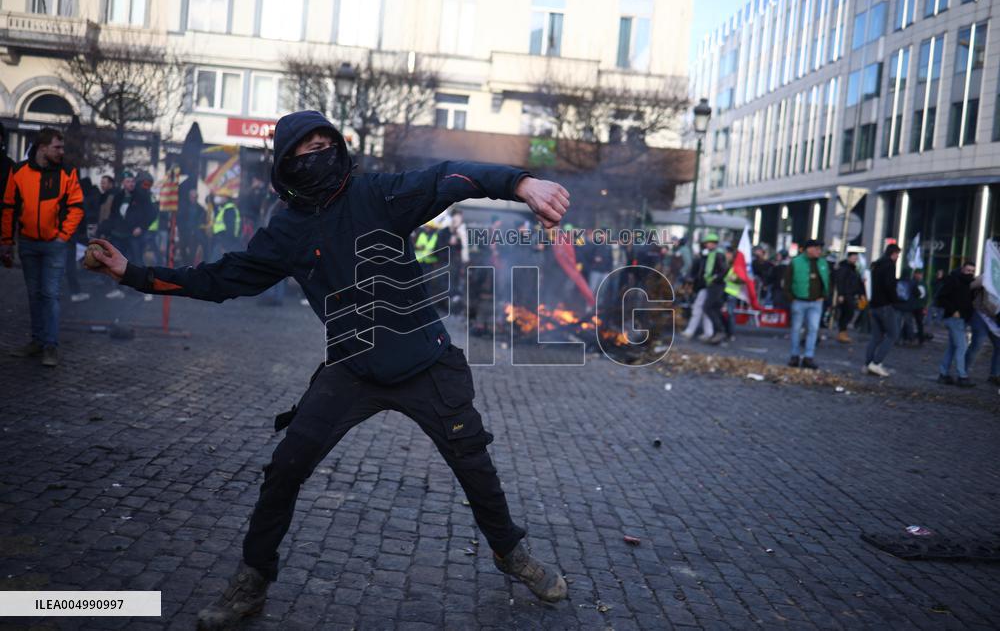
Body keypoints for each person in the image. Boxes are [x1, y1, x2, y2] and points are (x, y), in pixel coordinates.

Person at [86, 110, 571, 629]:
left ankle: (508, 551)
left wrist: (521, 182)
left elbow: (449, 177)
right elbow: (221, 278)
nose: (319, 152)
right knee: (285, 470)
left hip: (424, 360)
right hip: (351, 367)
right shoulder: (287, 231)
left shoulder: (378, 193)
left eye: (326, 142)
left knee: (474, 463)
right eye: (306, 146)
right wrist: (133, 273)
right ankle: (252, 580)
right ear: (287, 161)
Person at [1, 128, 84, 367]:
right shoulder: (18, 172)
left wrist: (62, 236)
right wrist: (7, 242)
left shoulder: (67, 173)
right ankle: (37, 341)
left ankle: (50, 346)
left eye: (62, 147)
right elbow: (8, 207)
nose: (62, 151)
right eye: (57, 147)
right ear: (42, 147)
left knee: (50, 295)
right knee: (34, 295)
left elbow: (77, 208)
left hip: (54, 245)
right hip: (28, 243)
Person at [783, 240, 829, 369]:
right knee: (796, 329)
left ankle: (809, 357)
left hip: (816, 302)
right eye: (817, 248)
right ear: (809, 249)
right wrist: (791, 298)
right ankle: (795, 355)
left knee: (813, 329)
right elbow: (787, 281)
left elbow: (827, 280)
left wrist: (824, 296)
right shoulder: (796, 262)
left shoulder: (822, 263)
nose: (819, 251)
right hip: (799, 300)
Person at [935, 262, 977, 387]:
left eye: (972, 271)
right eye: (968, 270)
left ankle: (943, 374)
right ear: (962, 269)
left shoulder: (970, 284)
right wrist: (953, 311)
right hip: (954, 319)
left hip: (962, 319)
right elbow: (941, 297)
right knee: (962, 347)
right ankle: (962, 376)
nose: (970, 273)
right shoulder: (954, 280)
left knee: (953, 347)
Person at [863, 244, 901, 377]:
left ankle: (868, 364)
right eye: (897, 255)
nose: (897, 258)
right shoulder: (889, 265)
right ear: (894, 253)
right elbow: (889, 285)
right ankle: (876, 363)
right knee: (892, 334)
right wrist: (896, 300)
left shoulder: (876, 265)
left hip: (873, 305)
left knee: (876, 336)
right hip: (885, 305)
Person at [682, 233, 727, 344]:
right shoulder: (707, 255)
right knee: (704, 308)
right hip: (706, 285)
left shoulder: (715, 255)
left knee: (702, 307)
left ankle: (694, 331)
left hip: (709, 285)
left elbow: (720, 271)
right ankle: (707, 332)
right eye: (707, 243)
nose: (708, 245)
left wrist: (713, 278)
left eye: (710, 243)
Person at [966, 274, 1000, 386]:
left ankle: (994, 374)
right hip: (981, 314)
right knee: (977, 345)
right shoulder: (990, 271)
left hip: (994, 319)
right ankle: (963, 372)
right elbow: (972, 285)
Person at [833, 251, 864, 343]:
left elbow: (857, 282)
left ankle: (843, 332)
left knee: (848, 313)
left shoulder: (853, 268)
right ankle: (842, 333)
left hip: (851, 294)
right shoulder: (845, 268)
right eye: (854, 257)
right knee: (847, 313)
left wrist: (860, 292)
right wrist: (841, 294)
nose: (855, 259)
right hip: (846, 294)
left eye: (856, 257)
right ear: (849, 257)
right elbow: (840, 281)